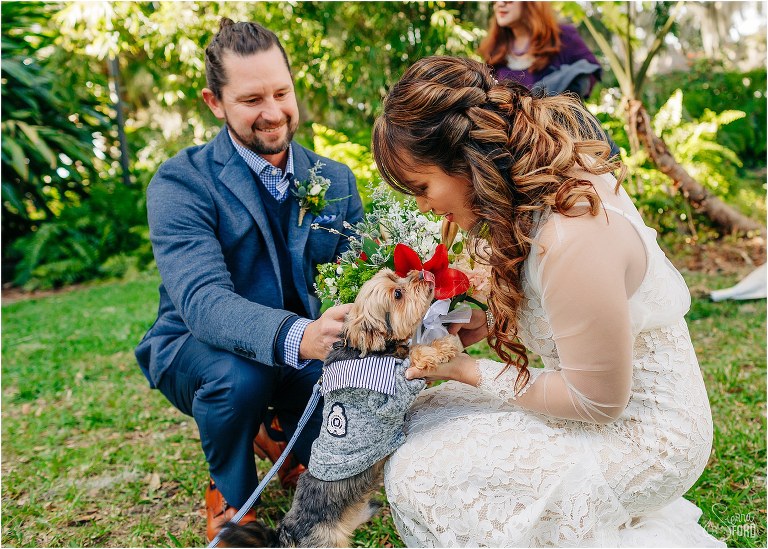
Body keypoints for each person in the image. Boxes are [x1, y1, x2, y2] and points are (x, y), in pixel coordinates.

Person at [371, 55, 725, 547]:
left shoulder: (572, 235)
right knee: (425, 415)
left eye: (422, 188)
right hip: (600, 405)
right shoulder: (529, 190)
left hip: (644, 438)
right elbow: (561, 312)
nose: (424, 207)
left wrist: (464, 369)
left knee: (419, 470)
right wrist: (490, 319)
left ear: (465, 160)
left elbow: (596, 400)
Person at [134, 18, 363, 541]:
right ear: (215, 103)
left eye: (282, 92)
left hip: (307, 355)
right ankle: (231, 492)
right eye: (251, 99)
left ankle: (279, 433)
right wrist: (299, 336)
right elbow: (203, 301)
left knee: (340, 450)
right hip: (201, 348)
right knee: (241, 379)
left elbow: (356, 278)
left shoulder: (335, 178)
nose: (274, 112)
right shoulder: (179, 182)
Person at [479, 1, 603, 100]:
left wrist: (563, 93)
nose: (500, 3)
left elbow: (592, 70)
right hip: (507, 129)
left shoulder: (563, 37)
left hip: (554, 127)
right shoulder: (494, 47)